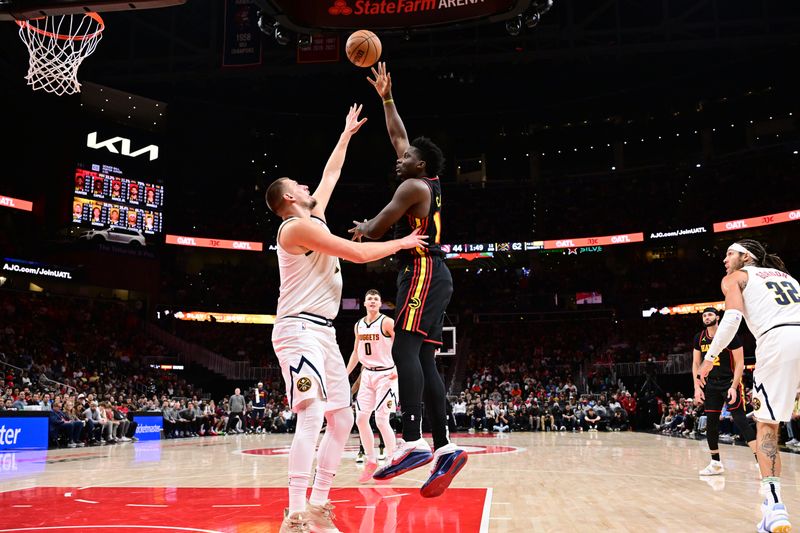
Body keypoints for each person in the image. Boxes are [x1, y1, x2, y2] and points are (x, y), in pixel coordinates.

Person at [267, 104, 426, 533]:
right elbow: (355, 253)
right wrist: (401, 243)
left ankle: (319, 504)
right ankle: (296, 510)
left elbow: (330, 176)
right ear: (287, 199)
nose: (306, 185)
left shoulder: (312, 215)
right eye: (298, 185)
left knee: (342, 418)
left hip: (322, 332)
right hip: (297, 329)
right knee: (313, 414)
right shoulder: (294, 230)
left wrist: (345, 135)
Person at [349, 62, 467, 498]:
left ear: (420, 164)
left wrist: (364, 227)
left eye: (405, 159)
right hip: (434, 272)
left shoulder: (411, 188)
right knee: (424, 360)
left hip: (421, 271)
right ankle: (446, 448)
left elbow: (379, 227)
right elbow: (400, 136)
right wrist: (387, 98)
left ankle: (414, 441)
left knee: (402, 349)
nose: (398, 160)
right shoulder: (425, 177)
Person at [698, 240, 800, 533]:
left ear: (746, 256)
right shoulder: (787, 277)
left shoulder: (737, 277)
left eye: (730, 253)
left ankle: (775, 507)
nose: (725, 260)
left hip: (779, 342)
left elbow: (731, 318)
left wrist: (709, 358)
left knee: (767, 426)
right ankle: (770, 510)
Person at [692, 306, 757, 476]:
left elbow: (740, 362)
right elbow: (695, 364)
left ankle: (760, 461)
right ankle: (715, 463)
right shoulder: (699, 338)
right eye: (704, 315)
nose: (707, 317)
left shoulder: (730, 336)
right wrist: (697, 386)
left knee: (741, 421)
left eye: (710, 314)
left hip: (729, 383)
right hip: (711, 385)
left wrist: (734, 386)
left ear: (717, 317)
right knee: (711, 424)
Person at [345, 289, 398, 483]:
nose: (373, 301)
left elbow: (401, 345)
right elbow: (356, 353)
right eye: (370, 298)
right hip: (367, 374)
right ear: (365, 303)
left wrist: (399, 369)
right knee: (360, 419)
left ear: (380, 303)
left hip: (386, 374)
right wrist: (345, 374)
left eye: (376, 298)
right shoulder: (359, 325)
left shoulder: (387, 322)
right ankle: (371, 460)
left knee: (382, 420)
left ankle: (392, 461)